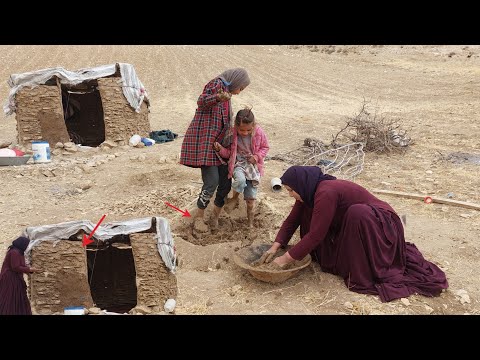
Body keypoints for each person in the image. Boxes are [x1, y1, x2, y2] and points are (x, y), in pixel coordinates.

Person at [256, 166, 448, 302]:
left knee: (357, 213)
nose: (290, 194)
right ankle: (337, 259)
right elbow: (292, 220)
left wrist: (283, 261)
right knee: (308, 213)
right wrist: (275, 247)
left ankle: (362, 266)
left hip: (380, 225)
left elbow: (316, 235)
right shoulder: (308, 191)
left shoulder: (325, 191)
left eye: (291, 190)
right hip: (356, 225)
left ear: (301, 184)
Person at [180, 68, 251, 229]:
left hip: (221, 147)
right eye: (241, 88)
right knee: (211, 182)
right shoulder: (217, 84)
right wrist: (217, 97)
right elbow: (201, 101)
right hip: (207, 144)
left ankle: (215, 218)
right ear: (236, 82)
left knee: (225, 184)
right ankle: (199, 217)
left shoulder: (228, 93)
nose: (239, 92)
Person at [214, 107, 269, 228]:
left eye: (248, 130)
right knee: (240, 180)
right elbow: (230, 153)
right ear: (236, 126)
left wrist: (257, 156)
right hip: (238, 163)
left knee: (250, 201)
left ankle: (250, 224)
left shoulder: (259, 132)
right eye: (241, 130)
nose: (245, 133)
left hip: (253, 166)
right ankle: (234, 198)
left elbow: (265, 147)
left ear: (253, 125)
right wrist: (221, 150)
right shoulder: (232, 134)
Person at [0, 236, 42, 315]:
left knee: (17, 296)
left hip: (15, 277)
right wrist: (29, 270)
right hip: (10, 278)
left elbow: (20, 265)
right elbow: (15, 267)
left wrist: (29, 270)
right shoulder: (14, 252)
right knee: (10, 297)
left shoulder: (18, 252)